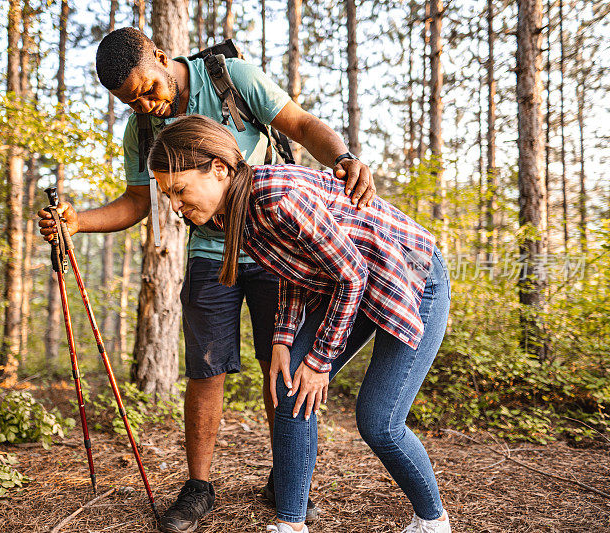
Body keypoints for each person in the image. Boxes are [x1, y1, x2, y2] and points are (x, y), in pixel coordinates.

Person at [39, 27, 376, 533]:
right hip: (208, 257)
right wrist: (76, 221)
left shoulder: (230, 77)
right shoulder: (141, 128)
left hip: (273, 246)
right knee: (206, 369)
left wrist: (344, 158)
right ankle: (199, 486)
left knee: (279, 366)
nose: (146, 105)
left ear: (159, 54)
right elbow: (136, 203)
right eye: (132, 101)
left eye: (148, 89)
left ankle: (286, 479)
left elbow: (302, 125)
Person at [146, 115, 452, 533]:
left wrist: (320, 360)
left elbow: (353, 275)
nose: (176, 206)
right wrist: (282, 341)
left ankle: (433, 522)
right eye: (169, 196)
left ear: (218, 168)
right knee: (289, 388)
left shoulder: (276, 196)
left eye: (179, 191)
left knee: (379, 422)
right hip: (352, 285)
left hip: (412, 279)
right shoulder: (232, 214)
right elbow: (296, 270)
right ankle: (291, 525)